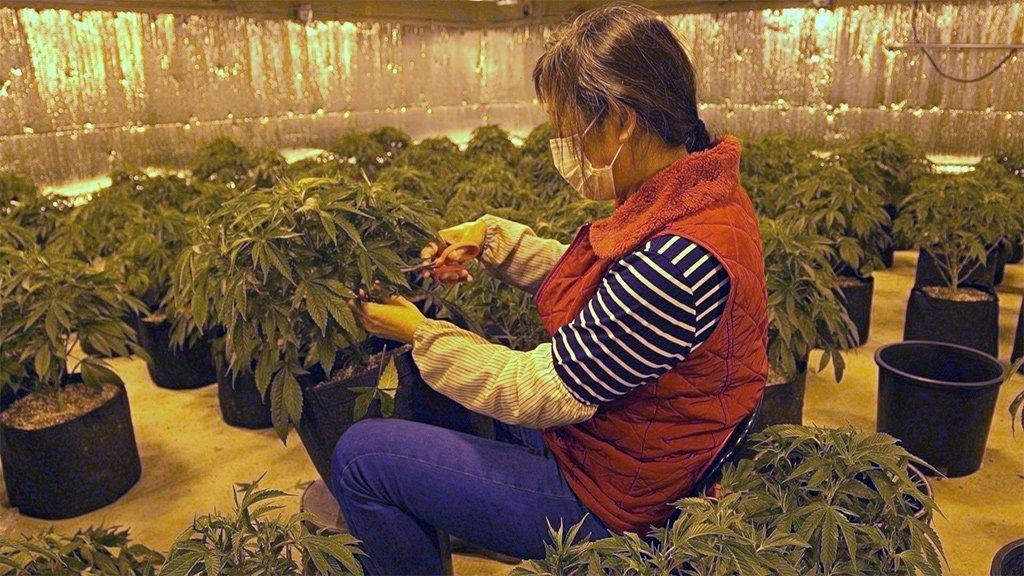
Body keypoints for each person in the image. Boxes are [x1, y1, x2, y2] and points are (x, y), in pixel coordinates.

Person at [336, 4, 768, 574]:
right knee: (447, 386)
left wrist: (419, 333)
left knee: (361, 457)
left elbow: (539, 389)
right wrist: (494, 242)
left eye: (571, 133)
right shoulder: (702, 199)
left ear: (619, 120)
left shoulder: (677, 262)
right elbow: (612, 289)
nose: (568, 151)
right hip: (631, 448)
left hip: (618, 502)